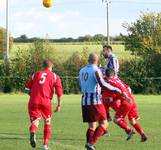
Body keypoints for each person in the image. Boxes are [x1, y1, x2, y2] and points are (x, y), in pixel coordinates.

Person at [79, 53, 122, 150]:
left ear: (88, 60)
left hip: (84, 100)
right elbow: (103, 84)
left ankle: (88, 145)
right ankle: (91, 143)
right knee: (104, 123)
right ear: (97, 61)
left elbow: (80, 84)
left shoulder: (82, 70)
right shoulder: (96, 70)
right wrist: (115, 89)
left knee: (91, 126)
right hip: (95, 100)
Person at [25, 59, 63, 150]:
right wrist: (59, 105)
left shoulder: (35, 75)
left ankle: (33, 131)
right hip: (46, 102)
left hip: (33, 101)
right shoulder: (54, 76)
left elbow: (26, 89)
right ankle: (45, 145)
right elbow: (59, 93)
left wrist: (33, 93)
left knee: (35, 120)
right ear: (52, 66)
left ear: (43, 65)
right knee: (47, 121)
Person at [103, 68, 147, 142]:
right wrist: (126, 97)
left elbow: (121, 91)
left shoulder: (111, 82)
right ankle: (143, 135)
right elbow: (128, 88)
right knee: (132, 121)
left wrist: (125, 97)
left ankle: (130, 131)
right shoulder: (118, 80)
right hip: (131, 99)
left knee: (117, 119)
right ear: (113, 74)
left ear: (106, 75)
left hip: (126, 102)